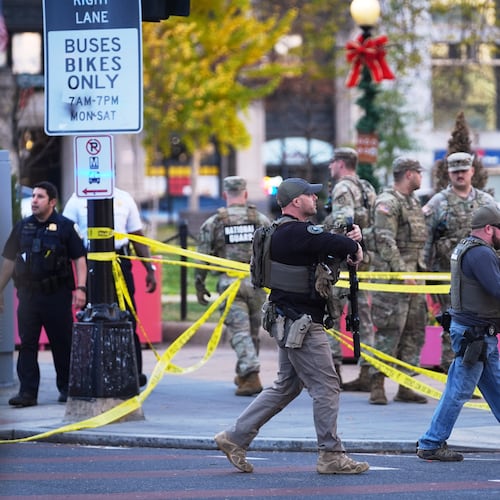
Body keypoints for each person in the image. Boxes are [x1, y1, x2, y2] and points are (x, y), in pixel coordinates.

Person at [214, 177, 370, 475]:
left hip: (286, 320)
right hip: (303, 325)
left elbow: (328, 244)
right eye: (310, 195)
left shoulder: (278, 232)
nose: (315, 198)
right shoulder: (300, 234)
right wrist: (355, 241)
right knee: (326, 387)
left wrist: (350, 242)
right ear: (296, 201)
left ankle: (234, 437)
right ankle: (331, 455)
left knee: (286, 385)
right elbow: (338, 244)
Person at [417, 205, 500, 461]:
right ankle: (431, 443)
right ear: (489, 229)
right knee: (458, 390)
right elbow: (497, 289)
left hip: (477, 333)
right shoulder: (481, 254)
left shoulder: (467, 247)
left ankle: (431, 442)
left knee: (497, 386)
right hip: (475, 335)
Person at [0, 181, 87, 407]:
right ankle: (27, 393)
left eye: (40, 197)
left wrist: (81, 288)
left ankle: (67, 388)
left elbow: (79, 259)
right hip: (29, 296)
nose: (34, 200)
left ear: (52, 202)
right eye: (34, 196)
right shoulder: (22, 227)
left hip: (57, 295)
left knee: (62, 343)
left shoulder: (66, 227)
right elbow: (9, 261)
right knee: (27, 345)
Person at [63, 188, 157, 387]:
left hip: (120, 261)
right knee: (92, 318)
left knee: (128, 315)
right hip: (91, 262)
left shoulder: (124, 197)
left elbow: (136, 236)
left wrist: (149, 268)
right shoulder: (77, 198)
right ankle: (94, 373)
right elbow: (66, 234)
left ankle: (133, 373)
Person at [195, 176, 271, 396]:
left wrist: (199, 285)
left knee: (239, 331)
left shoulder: (215, 222)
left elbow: (202, 258)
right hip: (257, 284)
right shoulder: (261, 220)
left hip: (231, 285)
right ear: (246, 194)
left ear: (225, 195)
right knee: (252, 332)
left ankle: (251, 374)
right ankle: (245, 374)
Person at [422, 152, 496, 372]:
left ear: (472, 171)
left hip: (480, 277)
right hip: (447, 275)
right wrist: (422, 271)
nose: (460, 175)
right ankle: (451, 372)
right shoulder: (438, 202)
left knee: (477, 324)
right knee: (451, 323)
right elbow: (425, 239)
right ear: (449, 174)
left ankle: (469, 372)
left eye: (464, 171)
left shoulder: (486, 201)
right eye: (456, 172)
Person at [367, 157, 428, 405]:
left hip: (415, 278)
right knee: (389, 332)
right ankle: (376, 383)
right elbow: (385, 240)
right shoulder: (388, 202)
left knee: (414, 331)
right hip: (393, 281)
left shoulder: (412, 202)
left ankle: (406, 385)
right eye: (419, 173)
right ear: (409, 174)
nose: (421, 177)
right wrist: (403, 273)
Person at [323, 147, 377, 391]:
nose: (329, 167)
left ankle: (333, 372)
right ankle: (368, 371)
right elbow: (372, 225)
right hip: (365, 260)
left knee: (331, 315)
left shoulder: (342, 188)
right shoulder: (367, 187)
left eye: (332, 162)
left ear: (341, 163)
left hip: (344, 263)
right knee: (364, 319)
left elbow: (342, 224)